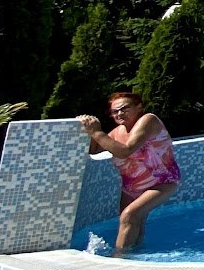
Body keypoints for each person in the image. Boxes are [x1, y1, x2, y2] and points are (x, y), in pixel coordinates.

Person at [77, 91, 181, 253]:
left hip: (162, 182)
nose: (119, 113)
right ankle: (136, 256)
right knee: (134, 223)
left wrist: (97, 132)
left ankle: (118, 259)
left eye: (124, 108)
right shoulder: (117, 132)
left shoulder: (148, 120)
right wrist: (86, 129)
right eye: (114, 111)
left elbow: (126, 150)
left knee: (129, 216)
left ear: (139, 107)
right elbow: (95, 149)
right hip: (131, 187)